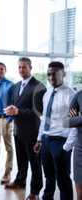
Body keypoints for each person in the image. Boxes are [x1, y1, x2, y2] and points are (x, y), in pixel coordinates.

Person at [33, 61, 76, 200]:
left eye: (55, 74)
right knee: (49, 177)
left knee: (63, 179)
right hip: (46, 140)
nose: (51, 77)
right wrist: (40, 139)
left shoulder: (70, 95)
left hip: (61, 141)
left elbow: (75, 123)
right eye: (49, 74)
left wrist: (67, 146)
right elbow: (45, 118)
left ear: (63, 74)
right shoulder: (47, 94)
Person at [5, 57, 46, 200]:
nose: (21, 70)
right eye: (19, 67)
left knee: (35, 163)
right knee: (21, 159)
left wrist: (18, 112)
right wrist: (11, 110)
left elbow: (39, 111)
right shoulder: (16, 86)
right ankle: (20, 181)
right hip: (18, 130)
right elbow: (16, 105)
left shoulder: (39, 86)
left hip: (32, 132)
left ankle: (35, 191)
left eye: (24, 67)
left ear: (30, 68)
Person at [67, 89, 82, 200]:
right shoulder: (79, 95)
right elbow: (67, 121)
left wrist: (77, 118)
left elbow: (74, 120)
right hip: (80, 149)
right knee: (80, 195)